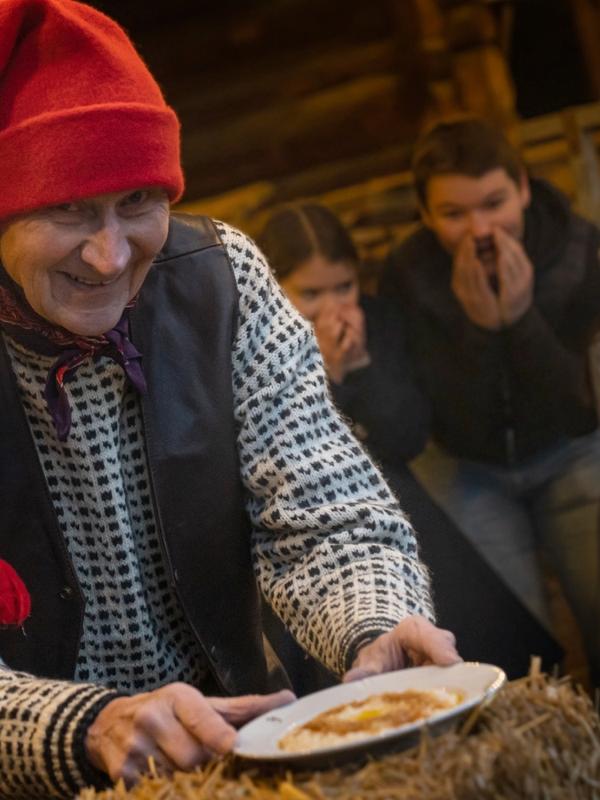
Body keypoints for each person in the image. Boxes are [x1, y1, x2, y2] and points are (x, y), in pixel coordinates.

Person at [0, 2, 460, 798]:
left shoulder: (222, 280)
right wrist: (85, 726)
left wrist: (377, 623)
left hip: (237, 755)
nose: (109, 257)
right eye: (67, 208)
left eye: (139, 200)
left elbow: (326, 512)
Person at [259, 203, 563, 690]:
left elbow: (407, 435)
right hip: (310, 523)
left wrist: (358, 372)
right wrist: (329, 379)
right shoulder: (259, 348)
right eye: (310, 293)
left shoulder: (377, 323)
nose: (332, 305)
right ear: (275, 288)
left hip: (397, 500)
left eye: (344, 287)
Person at [380, 117, 600, 685]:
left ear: (523, 187)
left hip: (570, 452)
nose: (480, 227)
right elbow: (434, 417)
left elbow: (581, 407)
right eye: (454, 214)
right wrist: (480, 331)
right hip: (470, 469)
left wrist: (520, 321)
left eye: (495, 202)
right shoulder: (409, 275)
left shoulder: (578, 249)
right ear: (426, 216)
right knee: (509, 649)